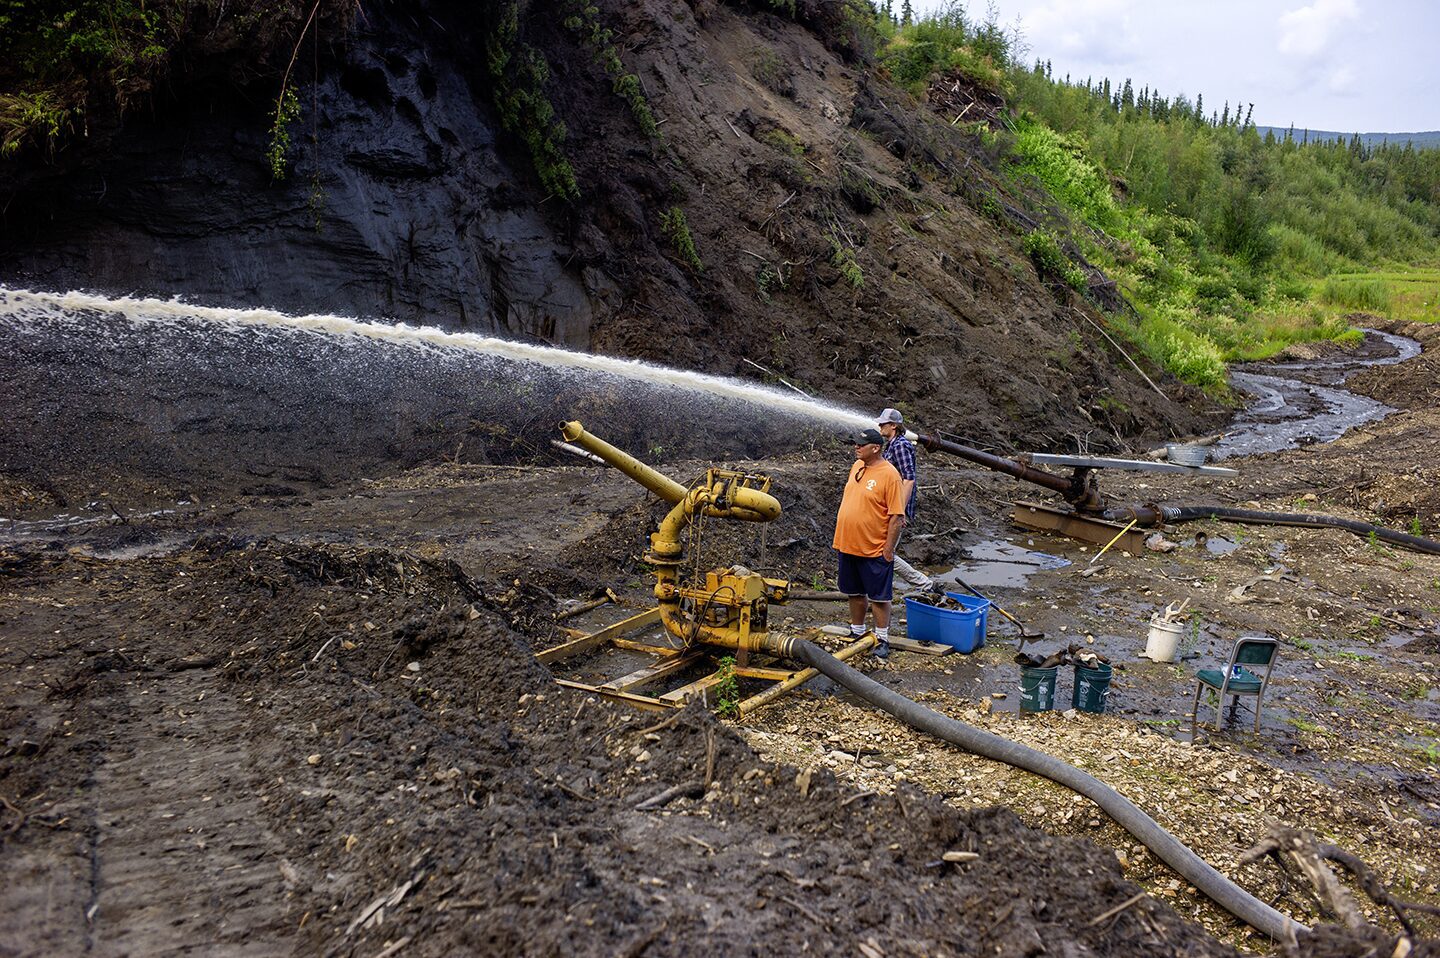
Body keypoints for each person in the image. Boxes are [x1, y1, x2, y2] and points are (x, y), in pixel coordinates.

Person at [833, 428, 907, 658]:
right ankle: (857, 631)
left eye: (860, 445)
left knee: (879, 596)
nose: (855, 447)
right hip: (848, 543)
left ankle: (882, 638)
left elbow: (897, 516)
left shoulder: (890, 475)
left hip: (874, 546)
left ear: (875, 448)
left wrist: (888, 549)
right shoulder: (857, 466)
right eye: (855, 444)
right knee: (854, 592)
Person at [877, 407, 933, 590]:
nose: (879, 425)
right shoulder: (892, 444)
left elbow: (908, 478)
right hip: (890, 507)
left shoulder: (900, 445)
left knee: (886, 552)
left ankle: (924, 584)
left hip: (896, 509)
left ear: (893, 425)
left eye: (883, 423)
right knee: (883, 551)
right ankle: (879, 589)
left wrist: (899, 511)